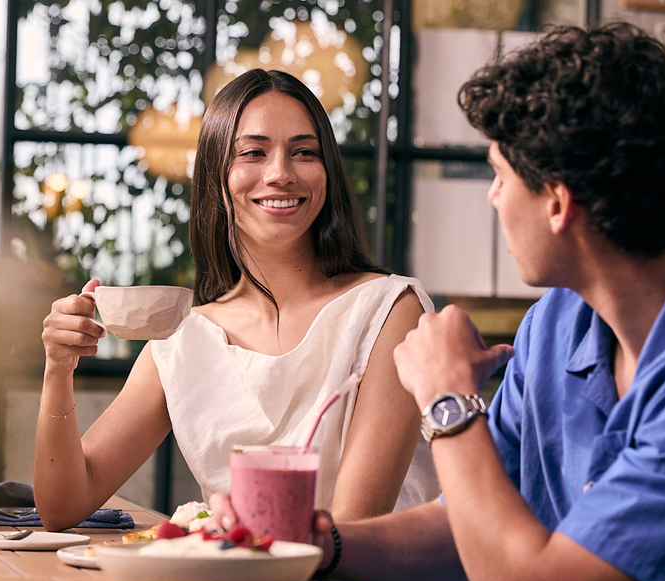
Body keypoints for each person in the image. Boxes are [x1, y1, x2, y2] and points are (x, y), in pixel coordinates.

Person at [295, 22, 665, 581]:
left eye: (499, 175)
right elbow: (463, 533)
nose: (492, 196)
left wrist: (448, 400)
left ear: (558, 202)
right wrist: (315, 547)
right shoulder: (558, 321)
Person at [34, 69, 439, 531]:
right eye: (254, 153)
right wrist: (58, 368)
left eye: (304, 152)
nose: (281, 173)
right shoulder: (185, 337)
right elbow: (62, 505)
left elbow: (350, 531)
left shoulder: (388, 310)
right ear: (217, 176)